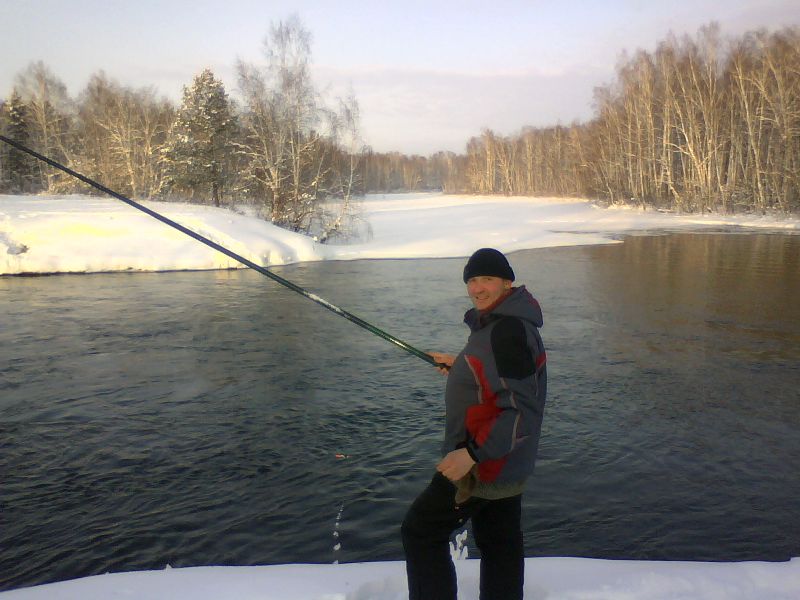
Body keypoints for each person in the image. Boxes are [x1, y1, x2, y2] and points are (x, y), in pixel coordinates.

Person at [401, 248, 547, 600]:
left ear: (507, 282)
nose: (477, 288)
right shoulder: (504, 322)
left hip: (484, 465)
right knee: (500, 544)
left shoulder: (505, 331)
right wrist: (462, 367)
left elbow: (521, 410)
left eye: (487, 279)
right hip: (507, 459)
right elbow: (501, 381)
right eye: (472, 280)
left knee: (421, 531)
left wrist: (471, 454)